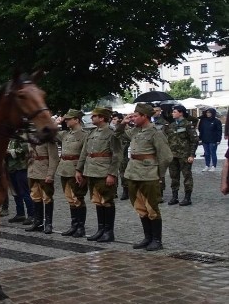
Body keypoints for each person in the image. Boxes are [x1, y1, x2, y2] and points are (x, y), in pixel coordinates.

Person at [115, 103, 173, 251]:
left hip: (149, 175)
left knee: (152, 208)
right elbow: (118, 134)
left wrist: (159, 175)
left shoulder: (155, 133)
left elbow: (165, 157)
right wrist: (122, 123)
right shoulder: (135, 131)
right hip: (133, 173)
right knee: (140, 207)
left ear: (145, 116)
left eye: (135, 116)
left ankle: (157, 240)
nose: (133, 118)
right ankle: (147, 237)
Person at [76, 107, 122, 242]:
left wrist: (112, 174)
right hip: (92, 172)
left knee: (107, 201)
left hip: (104, 171)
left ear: (102, 118)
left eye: (94, 116)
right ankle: (101, 229)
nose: (92, 118)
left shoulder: (111, 133)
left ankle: (109, 231)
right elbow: (84, 153)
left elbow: (117, 155)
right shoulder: (92, 133)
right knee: (98, 201)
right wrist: (79, 170)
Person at [56, 109, 88, 237]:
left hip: (76, 169)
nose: (67, 121)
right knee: (70, 199)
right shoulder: (65, 134)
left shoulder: (85, 135)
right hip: (64, 169)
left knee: (78, 198)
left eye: (69, 119)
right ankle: (74, 225)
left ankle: (81, 227)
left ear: (77, 119)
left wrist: (80, 171)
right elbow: (48, 131)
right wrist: (57, 122)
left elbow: (84, 155)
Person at [24, 138, 60, 233]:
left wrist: (50, 174)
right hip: (32, 172)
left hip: (44, 172)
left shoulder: (48, 138)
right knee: (35, 197)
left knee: (47, 197)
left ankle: (48, 224)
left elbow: (54, 158)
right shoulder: (31, 137)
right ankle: (38, 222)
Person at [165, 104, 198, 206]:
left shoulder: (188, 125)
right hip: (173, 155)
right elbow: (168, 140)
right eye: (173, 112)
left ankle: (187, 197)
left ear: (181, 113)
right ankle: (174, 197)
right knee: (174, 176)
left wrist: (192, 155)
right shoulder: (171, 125)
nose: (172, 113)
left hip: (184, 155)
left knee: (187, 176)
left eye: (175, 112)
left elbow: (194, 141)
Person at [5, 135, 33, 224]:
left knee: (25, 192)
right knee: (16, 193)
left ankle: (31, 215)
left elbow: (25, 149)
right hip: (11, 167)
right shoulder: (10, 136)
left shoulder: (22, 136)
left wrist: (9, 152)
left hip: (21, 168)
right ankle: (20, 214)